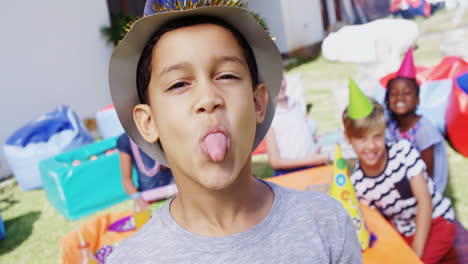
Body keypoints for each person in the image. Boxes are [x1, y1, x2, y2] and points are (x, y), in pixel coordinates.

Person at [107, 1, 362, 263]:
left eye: (227, 76)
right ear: (149, 122)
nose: (208, 98)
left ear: (258, 103)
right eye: (179, 83)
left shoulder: (326, 224)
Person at [343, 79, 455, 264]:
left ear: (384, 131)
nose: (371, 146)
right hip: (402, 230)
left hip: (437, 221)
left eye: (377, 136)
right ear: (349, 138)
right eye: (361, 139)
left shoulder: (403, 152)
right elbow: (376, 224)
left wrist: (415, 255)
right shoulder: (358, 183)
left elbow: (425, 202)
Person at [385, 47, 449, 193]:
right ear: (387, 100)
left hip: (426, 189)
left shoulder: (424, 131)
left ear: (418, 100)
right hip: (403, 183)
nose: (399, 98)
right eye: (393, 94)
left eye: (407, 93)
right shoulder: (391, 125)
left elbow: (428, 174)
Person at [265, 78, 328, 176]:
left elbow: (298, 133)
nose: (280, 85)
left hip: (314, 166)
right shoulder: (268, 116)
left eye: (282, 79)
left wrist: (317, 139)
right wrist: (309, 161)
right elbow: (275, 162)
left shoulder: (295, 103)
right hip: (291, 173)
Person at [117, 133, 173, 211]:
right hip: (148, 198)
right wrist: (137, 198)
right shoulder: (125, 140)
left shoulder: (159, 130)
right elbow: (127, 180)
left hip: (174, 190)